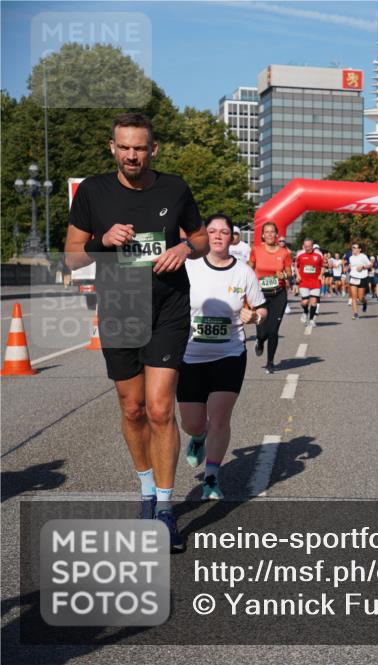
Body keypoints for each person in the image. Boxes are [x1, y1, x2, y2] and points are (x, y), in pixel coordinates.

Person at [63, 112, 208, 552]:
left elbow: (201, 239)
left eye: (139, 148)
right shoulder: (92, 192)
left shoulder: (174, 187)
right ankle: (145, 490)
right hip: (120, 306)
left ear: (153, 150)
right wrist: (101, 242)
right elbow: (71, 258)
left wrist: (184, 247)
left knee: (160, 409)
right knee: (132, 408)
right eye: (124, 147)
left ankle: (165, 508)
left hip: (168, 306)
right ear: (112, 148)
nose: (131, 155)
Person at [178, 214, 267, 500]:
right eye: (212, 231)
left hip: (229, 353)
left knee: (220, 416)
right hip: (190, 354)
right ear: (204, 235)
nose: (217, 236)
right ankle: (199, 437)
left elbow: (262, 309)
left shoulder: (243, 272)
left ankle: (212, 478)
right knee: (191, 422)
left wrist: (254, 315)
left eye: (224, 232)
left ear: (232, 237)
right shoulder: (190, 267)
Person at [249, 221, 292, 373]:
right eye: (266, 232)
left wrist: (284, 275)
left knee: (273, 331)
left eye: (272, 232)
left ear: (276, 234)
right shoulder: (256, 250)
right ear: (262, 234)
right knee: (262, 332)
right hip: (260, 296)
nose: (269, 235)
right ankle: (260, 341)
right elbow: (250, 267)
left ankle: (270, 363)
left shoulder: (284, 252)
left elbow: (289, 272)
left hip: (278, 295)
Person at [295, 238, 324, 328]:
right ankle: (305, 311)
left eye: (309, 246)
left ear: (312, 246)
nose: (307, 248)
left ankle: (311, 320)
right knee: (305, 302)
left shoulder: (318, 255)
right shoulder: (300, 255)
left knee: (314, 302)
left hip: (315, 281)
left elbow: (322, 267)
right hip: (304, 281)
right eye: (306, 246)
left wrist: (321, 275)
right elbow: (296, 266)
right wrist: (298, 275)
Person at [347, 242, 372, 320]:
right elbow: (352, 266)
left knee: (360, 298)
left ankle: (364, 302)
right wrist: (349, 267)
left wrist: (363, 267)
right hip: (353, 277)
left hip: (362, 277)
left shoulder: (363, 256)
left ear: (359, 249)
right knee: (354, 297)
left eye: (355, 247)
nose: (353, 249)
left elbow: (370, 265)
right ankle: (355, 314)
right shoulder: (350, 257)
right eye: (352, 247)